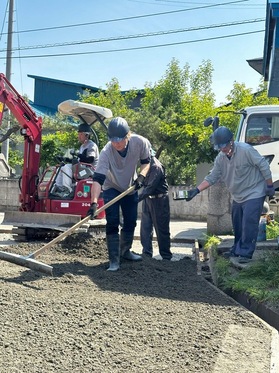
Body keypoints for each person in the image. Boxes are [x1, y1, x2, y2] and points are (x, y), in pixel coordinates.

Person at [185, 126, 275, 264]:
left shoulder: (246, 150)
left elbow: (263, 165)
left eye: (225, 146)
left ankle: (246, 253)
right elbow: (212, 177)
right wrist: (196, 190)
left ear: (231, 141)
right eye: (220, 147)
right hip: (238, 195)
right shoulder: (221, 158)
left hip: (254, 191)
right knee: (237, 224)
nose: (223, 149)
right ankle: (237, 249)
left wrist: (269, 185)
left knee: (248, 223)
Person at [87, 117, 151, 271]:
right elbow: (97, 179)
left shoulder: (140, 143)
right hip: (111, 187)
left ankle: (125, 251)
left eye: (119, 140)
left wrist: (141, 176)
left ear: (127, 135)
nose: (116, 144)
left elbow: (146, 162)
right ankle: (114, 260)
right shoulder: (106, 152)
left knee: (130, 221)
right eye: (113, 140)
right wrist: (94, 203)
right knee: (113, 221)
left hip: (130, 187)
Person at [138, 153, 172, 260]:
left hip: (159, 200)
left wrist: (134, 200)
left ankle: (166, 256)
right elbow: (142, 183)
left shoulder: (156, 167)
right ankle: (146, 254)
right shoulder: (145, 166)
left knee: (161, 229)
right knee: (145, 228)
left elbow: (150, 187)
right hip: (148, 199)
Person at [54, 123, 99, 196]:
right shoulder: (82, 146)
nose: (79, 136)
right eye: (78, 134)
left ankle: (68, 190)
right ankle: (59, 187)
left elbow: (90, 159)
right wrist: (65, 159)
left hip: (90, 170)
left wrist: (77, 154)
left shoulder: (91, 145)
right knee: (62, 168)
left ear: (87, 135)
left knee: (66, 168)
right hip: (83, 168)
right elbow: (79, 160)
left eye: (81, 134)